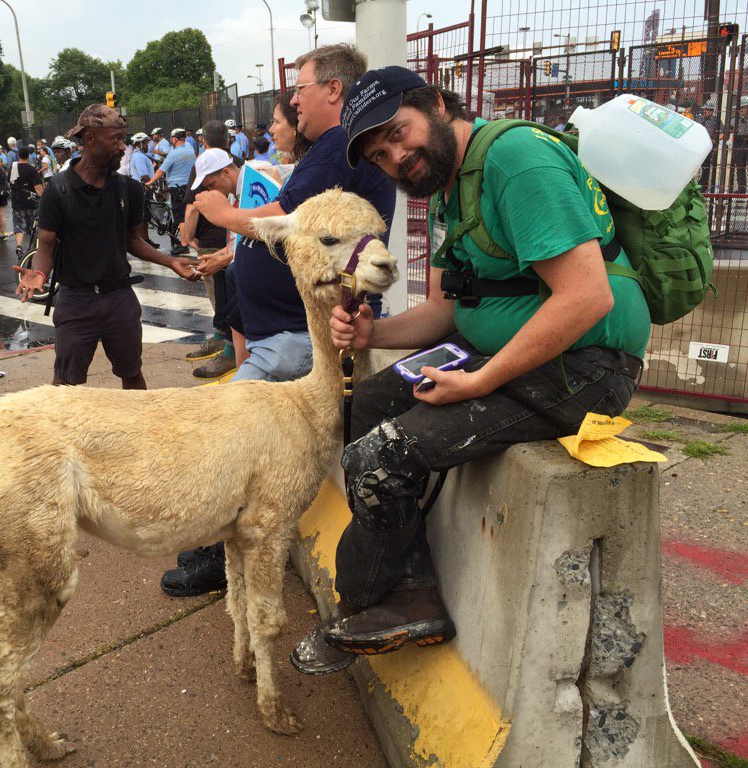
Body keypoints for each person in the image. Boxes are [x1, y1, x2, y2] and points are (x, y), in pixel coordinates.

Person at [289, 66, 651, 674]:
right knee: (367, 406)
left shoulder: (515, 161)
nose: (397, 157)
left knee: (382, 454)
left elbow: (588, 296)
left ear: (435, 103)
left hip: (587, 364)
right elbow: (442, 311)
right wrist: (376, 333)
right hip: (508, 357)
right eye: (380, 155)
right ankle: (410, 586)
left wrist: (481, 381)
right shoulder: (448, 190)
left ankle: (365, 605)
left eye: (399, 135)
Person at [167, 44, 396, 597]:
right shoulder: (331, 149)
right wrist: (229, 255)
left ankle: (210, 546)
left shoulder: (340, 144)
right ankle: (219, 541)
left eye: (300, 88)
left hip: (298, 336)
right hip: (288, 333)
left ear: (334, 90)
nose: (293, 101)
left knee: (224, 437)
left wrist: (221, 215)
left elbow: (284, 221)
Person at [14, 104, 199, 388]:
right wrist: (39, 273)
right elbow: (46, 246)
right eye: (116, 139)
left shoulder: (128, 189)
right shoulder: (59, 190)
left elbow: (132, 240)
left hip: (119, 299)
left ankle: (136, 431)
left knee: (132, 374)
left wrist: (170, 261)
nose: (123, 147)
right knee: (65, 384)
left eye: (124, 138)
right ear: (89, 139)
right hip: (76, 302)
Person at [181, 122, 243, 379]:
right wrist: (218, 257)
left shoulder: (251, 183)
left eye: (211, 183)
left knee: (230, 277)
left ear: (227, 172)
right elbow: (241, 239)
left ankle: (234, 354)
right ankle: (231, 349)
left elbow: (257, 233)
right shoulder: (230, 193)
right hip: (234, 250)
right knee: (224, 275)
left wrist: (223, 258)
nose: (209, 190)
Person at [146, 129, 196, 255]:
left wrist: (149, 182)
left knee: (180, 216)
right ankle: (190, 240)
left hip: (176, 188)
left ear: (175, 139)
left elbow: (161, 171)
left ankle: (183, 244)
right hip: (189, 187)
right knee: (188, 214)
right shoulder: (190, 152)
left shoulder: (174, 154)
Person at [9, 146, 45, 258]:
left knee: (19, 226)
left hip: (16, 202)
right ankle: (33, 250)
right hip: (31, 203)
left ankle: (19, 246)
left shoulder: (12, 168)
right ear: (28, 155)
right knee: (33, 227)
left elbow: (9, 183)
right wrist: (44, 198)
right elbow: (38, 188)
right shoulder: (31, 169)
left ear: (18, 155)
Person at [698, 102, 723, 191]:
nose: (707, 111)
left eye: (709, 110)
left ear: (712, 111)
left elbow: (723, 133)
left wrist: (715, 140)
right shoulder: (699, 119)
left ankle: (704, 185)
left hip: (709, 145)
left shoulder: (715, 120)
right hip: (698, 145)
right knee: (696, 165)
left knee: (706, 166)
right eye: (706, 109)